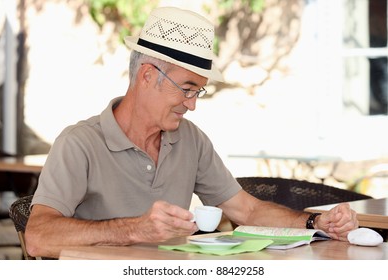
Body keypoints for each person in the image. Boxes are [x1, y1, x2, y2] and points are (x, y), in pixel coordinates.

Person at [25, 6, 358, 259]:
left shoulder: (190, 139)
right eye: (186, 89)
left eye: (198, 92)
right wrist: (135, 228)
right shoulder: (79, 143)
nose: (192, 105)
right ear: (145, 76)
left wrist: (316, 224)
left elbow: (248, 210)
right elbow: (38, 236)